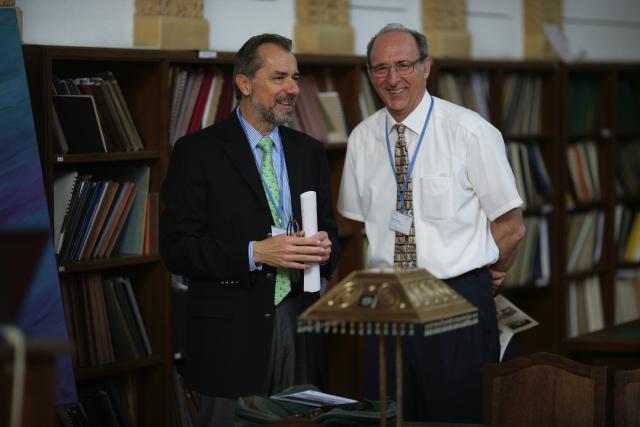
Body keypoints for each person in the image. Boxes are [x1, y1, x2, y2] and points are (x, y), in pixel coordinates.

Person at [337, 23, 525, 423]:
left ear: (427, 67)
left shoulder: (469, 131)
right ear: (370, 75)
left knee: (456, 415)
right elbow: (357, 224)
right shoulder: (361, 139)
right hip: (386, 303)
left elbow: (511, 225)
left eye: (403, 64)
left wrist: (494, 272)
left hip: (454, 299)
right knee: (386, 416)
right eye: (381, 68)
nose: (393, 78)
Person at [160, 33, 339, 427]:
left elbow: (330, 231)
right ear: (244, 83)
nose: (293, 89)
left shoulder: (308, 151)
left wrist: (325, 248)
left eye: (295, 77)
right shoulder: (197, 152)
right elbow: (176, 249)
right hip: (229, 336)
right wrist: (255, 253)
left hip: (298, 325)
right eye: (279, 78)